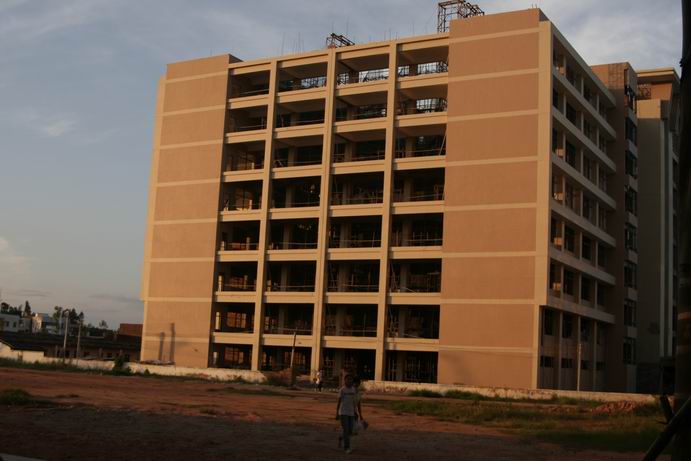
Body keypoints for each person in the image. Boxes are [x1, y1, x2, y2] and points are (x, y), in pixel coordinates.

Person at [335, 374, 357, 454]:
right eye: (348, 379)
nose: (349, 381)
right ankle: (347, 447)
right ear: (345, 380)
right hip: (343, 412)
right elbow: (339, 402)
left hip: (351, 413)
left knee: (350, 431)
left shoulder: (353, 390)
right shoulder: (342, 390)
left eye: (351, 379)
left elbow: (354, 402)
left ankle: (341, 437)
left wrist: (355, 412)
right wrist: (337, 413)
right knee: (346, 430)